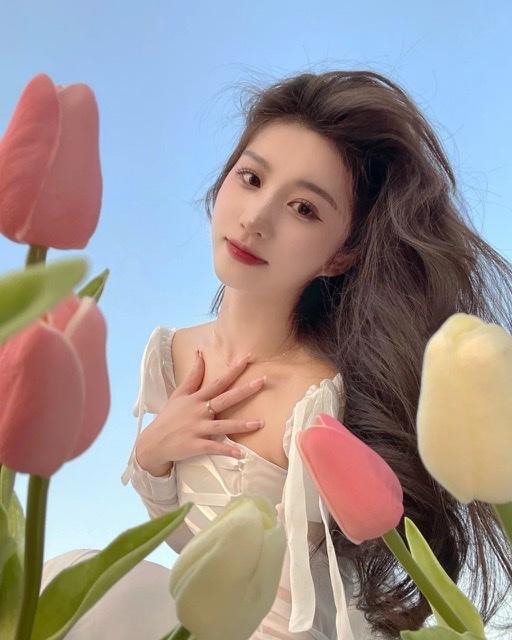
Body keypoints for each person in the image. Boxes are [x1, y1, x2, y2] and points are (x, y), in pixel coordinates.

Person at [41, 70, 512, 639]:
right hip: (205, 615)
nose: (255, 218)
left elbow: (310, 598)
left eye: (304, 209)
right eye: (251, 178)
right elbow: (195, 548)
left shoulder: (321, 400)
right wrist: (152, 454)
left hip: (296, 630)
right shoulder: (172, 354)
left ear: (340, 256)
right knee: (69, 583)